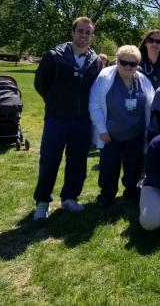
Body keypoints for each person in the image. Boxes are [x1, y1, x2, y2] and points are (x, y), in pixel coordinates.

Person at [32, 16, 102, 220]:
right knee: (50, 160)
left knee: (78, 161)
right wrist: (56, 103)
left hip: (82, 121)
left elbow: (95, 90)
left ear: (92, 36)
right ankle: (43, 202)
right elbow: (40, 84)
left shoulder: (95, 61)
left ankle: (70, 198)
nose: (84, 35)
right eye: (80, 31)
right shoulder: (54, 56)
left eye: (88, 32)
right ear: (73, 32)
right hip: (57, 119)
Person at [89, 45, 155, 207]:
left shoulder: (143, 81)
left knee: (133, 166)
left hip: (135, 134)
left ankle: (131, 192)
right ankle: (106, 195)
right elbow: (95, 104)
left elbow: (150, 106)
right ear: (117, 61)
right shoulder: (105, 77)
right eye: (123, 62)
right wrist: (102, 130)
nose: (127, 67)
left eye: (132, 64)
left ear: (137, 65)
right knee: (108, 167)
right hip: (111, 134)